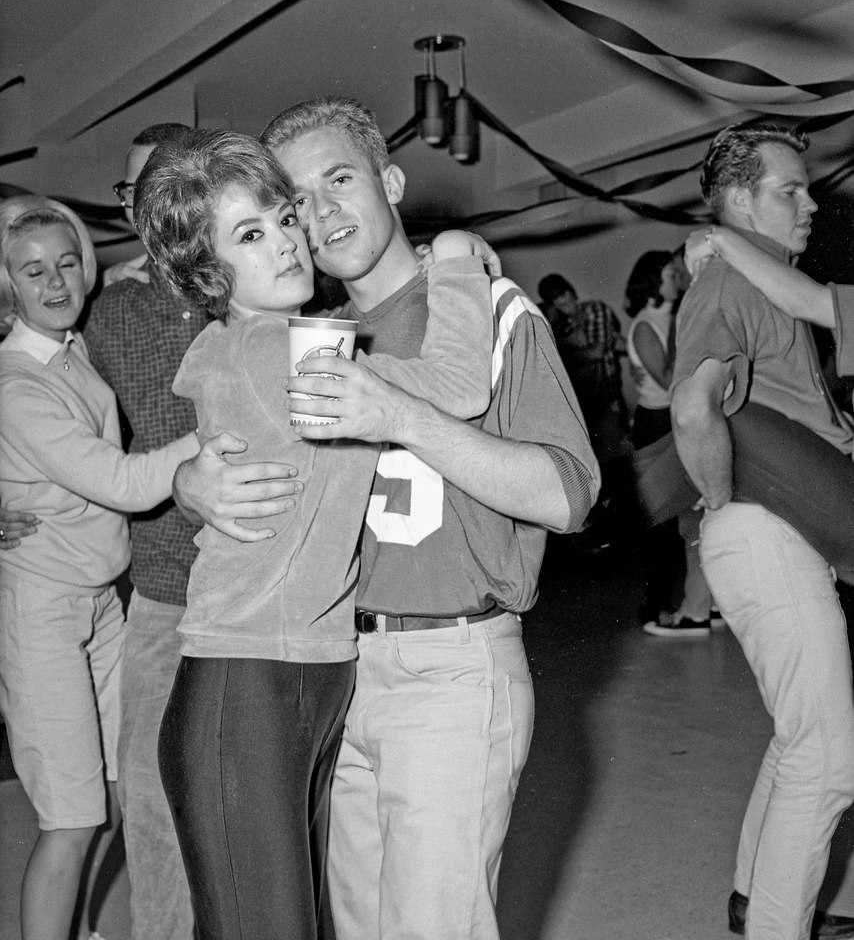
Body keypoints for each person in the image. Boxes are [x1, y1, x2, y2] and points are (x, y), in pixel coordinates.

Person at [173, 96, 600, 940]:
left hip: (450, 663)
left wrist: (399, 416)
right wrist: (193, 483)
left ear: (392, 181)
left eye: (341, 180)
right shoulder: (305, 334)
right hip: (333, 671)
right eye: (295, 203)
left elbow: (566, 494)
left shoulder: (486, 309)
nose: (322, 215)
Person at [133, 126, 497, 939]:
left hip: (302, 674)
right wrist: (461, 262)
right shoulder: (277, 351)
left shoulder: (263, 345)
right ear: (208, 271)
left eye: (282, 217)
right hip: (249, 687)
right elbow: (459, 387)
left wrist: (191, 484)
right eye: (251, 236)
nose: (289, 243)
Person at [670, 121, 854, 940]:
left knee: (804, 736)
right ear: (743, 198)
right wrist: (720, 502)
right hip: (767, 522)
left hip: (789, 519)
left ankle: (758, 902)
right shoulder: (729, 285)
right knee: (831, 757)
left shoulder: (757, 276)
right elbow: (690, 407)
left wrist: (717, 238)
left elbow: (819, 308)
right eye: (792, 190)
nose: (811, 203)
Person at [0, 196, 198, 940]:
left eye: (66, 262)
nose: (55, 283)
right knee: (69, 820)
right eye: (31, 271)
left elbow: (125, 272)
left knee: (116, 797)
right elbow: (123, 483)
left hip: (103, 605)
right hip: (43, 608)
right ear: (7, 283)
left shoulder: (73, 345)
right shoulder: (17, 382)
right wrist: (218, 428)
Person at [624, 249, 715, 636]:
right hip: (656, 422)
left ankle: (695, 604)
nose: (677, 280)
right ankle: (654, 607)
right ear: (652, 282)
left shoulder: (669, 318)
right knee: (661, 520)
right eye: (669, 275)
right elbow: (667, 377)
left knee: (688, 516)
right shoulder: (646, 325)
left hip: (672, 418)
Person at [538, 271, 629, 552]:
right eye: (556, 301)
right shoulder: (560, 325)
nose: (563, 304)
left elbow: (597, 352)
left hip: (606, 402)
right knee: (591, 472)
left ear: (571, 291)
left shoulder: (595, 310)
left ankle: (622, 532)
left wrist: (567, 352)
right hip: (582, 411)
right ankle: (604, 535)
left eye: (563, 295)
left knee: (614, 465)